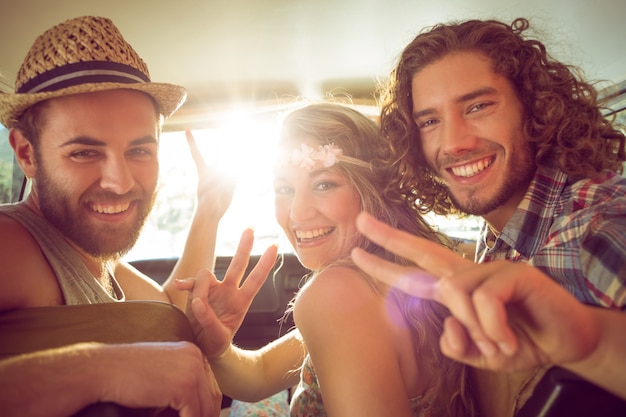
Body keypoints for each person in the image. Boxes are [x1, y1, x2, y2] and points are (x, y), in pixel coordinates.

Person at [348, 17, 626, 416]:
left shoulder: (598, 222)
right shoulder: (497, 235)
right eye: (430, 121)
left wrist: (594, 341)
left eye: (478, 106)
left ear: (536, 109)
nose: (454, 143)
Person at [0, 15, 276, 417]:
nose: (120, 181)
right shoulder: (11, 245)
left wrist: (208, 213)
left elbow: (167, 313)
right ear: (26, 154)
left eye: (139, 150)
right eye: (84, 152)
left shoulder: (101, 264)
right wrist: (99, 369)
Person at [178, 102, 477, 417]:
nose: (297, 213)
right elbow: (261, 374)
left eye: (323, 184)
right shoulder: (434, 258)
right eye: (284, 188)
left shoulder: (337, 293)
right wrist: (220, 350)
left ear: (373, 188)